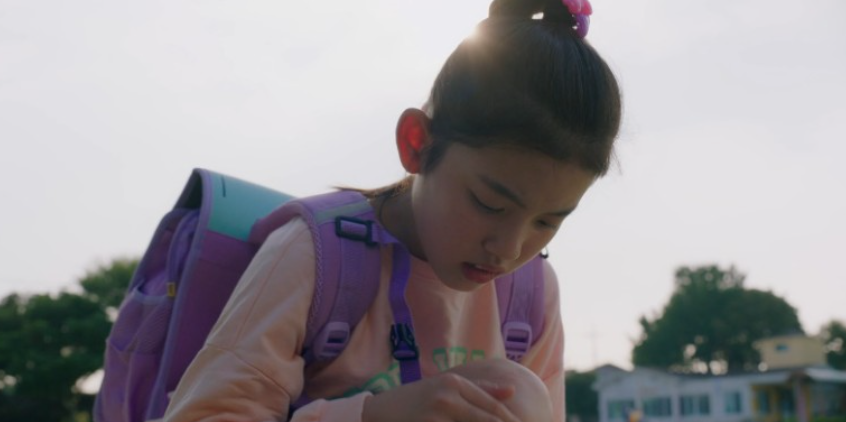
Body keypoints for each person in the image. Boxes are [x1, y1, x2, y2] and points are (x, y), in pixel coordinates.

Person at [163, 0, 621, 420]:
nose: (508, 249)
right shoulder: (313, 257)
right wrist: (374, 415)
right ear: (416, 143)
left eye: (548, 221)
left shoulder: (529, 294)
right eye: (489, 204)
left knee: (518, 391)